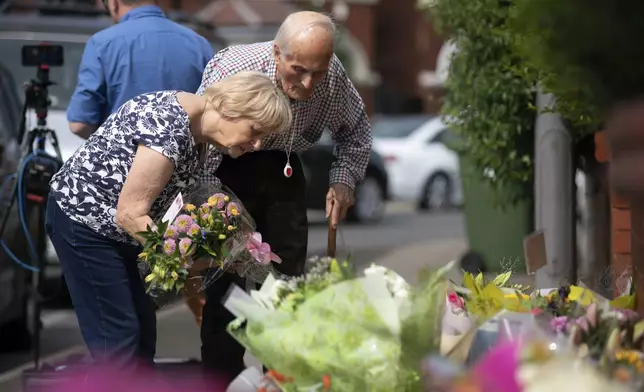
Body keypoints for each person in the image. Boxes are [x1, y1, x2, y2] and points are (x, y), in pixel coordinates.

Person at [46, 72, 291, 369]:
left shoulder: (198, 133)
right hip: (85, 224)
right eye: (255, 130)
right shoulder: (170, 127)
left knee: (142, 335)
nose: (257, 144)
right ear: (231, 108)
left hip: (115, 232)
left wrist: (226, 245)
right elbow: (130, 214)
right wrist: (180, 256)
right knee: (119, 341)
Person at [196, 11, 373, 380]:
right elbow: (201, 139)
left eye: (318, 72)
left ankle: (281, 381)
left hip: (284, 169)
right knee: (225, 290)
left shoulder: (333, 75)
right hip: (225, 169)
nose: (309, 84)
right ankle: (220, 381)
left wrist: (343, 180)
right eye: (297, 70)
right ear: (277, 53)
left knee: (283, 288)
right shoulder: (236, 66)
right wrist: (206, 202)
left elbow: (356, 131)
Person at [67, 0, 213, 139]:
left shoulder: (102, 43)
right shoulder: (199, 43)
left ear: (114, 3)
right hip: (185, 159)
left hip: (122, 160)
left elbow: (79, 124)